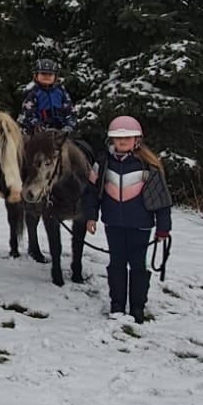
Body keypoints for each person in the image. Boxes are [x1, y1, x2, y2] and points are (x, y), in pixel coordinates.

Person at [83, 114, 173, 322]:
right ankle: (117, 304)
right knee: (116, 263)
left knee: (138, 265)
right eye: (118, 138)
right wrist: (91, 216)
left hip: (140, 226)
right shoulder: (102, 164)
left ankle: (137, 306)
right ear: (111, 140)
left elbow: (161, 200)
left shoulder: (148, 166)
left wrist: (163, 228)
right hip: (113, 224)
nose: (122, 141)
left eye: (127, 138)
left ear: (136, 140)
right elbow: (91, 193)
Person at [19, 57, 77, 135]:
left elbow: (70, 112)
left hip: (60, 132)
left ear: (55, 76)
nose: (47, 76)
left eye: (50, 74)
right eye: (43, 73)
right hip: (36, 133)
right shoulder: (32, 92)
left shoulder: (61, 91)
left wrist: (68, 127)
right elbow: (27, 114)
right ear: (36, 75)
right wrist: (38, 125)